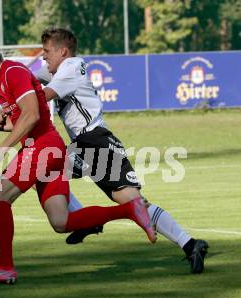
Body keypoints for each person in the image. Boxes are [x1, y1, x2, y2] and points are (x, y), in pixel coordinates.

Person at [0, 36, 156, 286]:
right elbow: (22, 120)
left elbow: (32, 115)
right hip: (49, 149)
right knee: (61, 222)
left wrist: (1, 150)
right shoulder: (1, 80)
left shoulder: (12, 72)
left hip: (42, 146)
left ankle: (4, 267)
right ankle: (130, 209)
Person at [32, 28, 209, 274]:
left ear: (63, 51)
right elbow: (29, 78)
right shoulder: (60, 68)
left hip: (96, 143)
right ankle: (85, 220)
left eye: (47, 52)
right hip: (86, 145)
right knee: (42, 170)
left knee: (134, 204)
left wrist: (14, 103)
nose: (43, 57)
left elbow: (41, 96)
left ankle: (190, 244)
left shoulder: (71, 66)